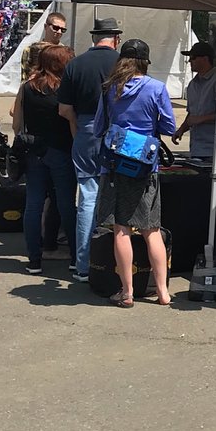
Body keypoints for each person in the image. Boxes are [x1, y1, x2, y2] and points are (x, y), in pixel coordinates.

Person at [93, 39, 177, 308]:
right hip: (145, 167)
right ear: (144, 62)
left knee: (121, 229)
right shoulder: (157, 88)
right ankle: (163, 292)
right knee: (152, 230)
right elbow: (169, 126)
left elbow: (98, 127)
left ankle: (127, 292)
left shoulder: (109, 89)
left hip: (114, 167)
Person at [58, 17, 122, 283]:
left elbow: (64, 109)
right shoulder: (122, 64)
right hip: (119, 131)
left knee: (87, 196)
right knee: (119, 196)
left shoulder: (75, 64)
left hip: (85, 128)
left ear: (94, 37)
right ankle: (111, 262)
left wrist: (78, 129)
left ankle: (83, 263)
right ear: (116, 38)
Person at [14, 45, 78, 274]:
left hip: (33, 150)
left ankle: (34, 260)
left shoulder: (27, 87)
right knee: (66, 204)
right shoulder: (65, 89)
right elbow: (71, 119)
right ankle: (76, 257)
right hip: (62, 150)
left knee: (33, 205)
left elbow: (16, 123)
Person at [172, 42, 216, 164]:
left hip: (215, 150)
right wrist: (181, 130)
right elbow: (192, 114)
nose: (189, 61)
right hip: (196, 149)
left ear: (205, 59)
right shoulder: (192, 84)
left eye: (193, 57)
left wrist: (201, 119)